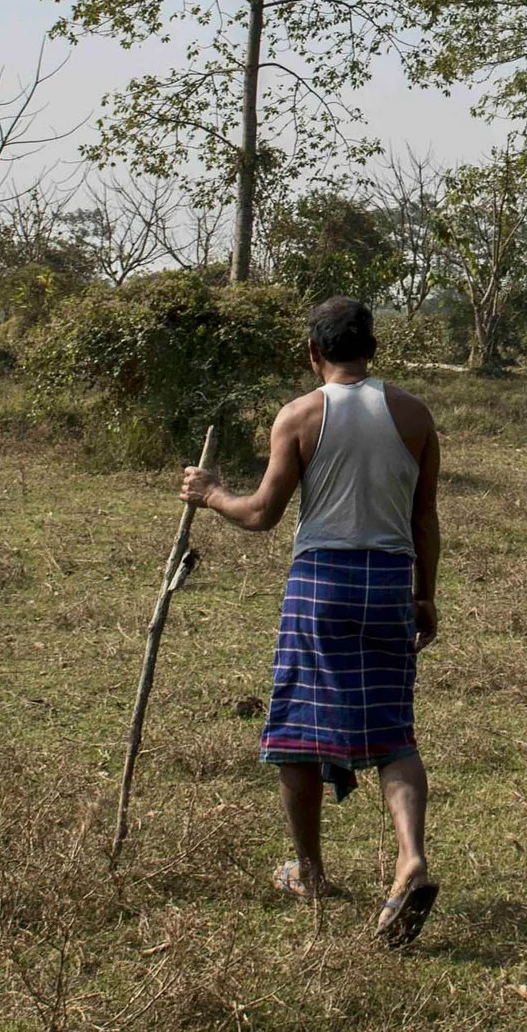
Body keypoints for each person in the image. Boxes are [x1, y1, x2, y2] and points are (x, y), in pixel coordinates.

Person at [179, 295, 444, 948]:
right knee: (393, 731)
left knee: (298, 730)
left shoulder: (299, 415)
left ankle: (310, 871)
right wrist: (425, 596)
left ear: (312, 353)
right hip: (389, 581)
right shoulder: (414, 415)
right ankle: (410, 857)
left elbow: (262, 513)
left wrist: (211, 494)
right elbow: (424, 519)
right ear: (372, 349)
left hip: (320, 583)